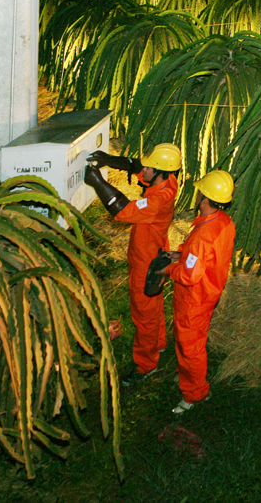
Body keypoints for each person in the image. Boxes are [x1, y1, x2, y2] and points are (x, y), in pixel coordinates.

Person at [84, 143, 181, 386]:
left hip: (146, 263)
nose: (143, 170)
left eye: (149, 167)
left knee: (144, 314)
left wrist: (97, 182)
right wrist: (109, 159)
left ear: (160, 172)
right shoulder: (167, 180)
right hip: (152, 252)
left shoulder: (158, 200)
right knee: (154, 305)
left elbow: (122, 209)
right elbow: (134, 165)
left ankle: (146, 366)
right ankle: (158, 345)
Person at [160, 170, 236, 414]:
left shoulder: (202, 236)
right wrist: (182, 254)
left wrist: (168, 269)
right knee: (191, 342)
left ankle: (195, 394)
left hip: (194, 299)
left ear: (204, 198)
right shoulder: (223, 221)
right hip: (209, 291)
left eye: (200, 191)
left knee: (190, 346)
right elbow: (204, 257)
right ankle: (187, 377)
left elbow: (189, 274)